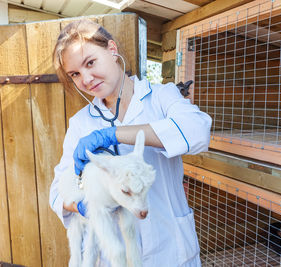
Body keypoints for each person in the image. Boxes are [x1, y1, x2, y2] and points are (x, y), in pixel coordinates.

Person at [49, 19, 212, 266]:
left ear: (112, 50)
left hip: (170, 249)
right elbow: (57, 193)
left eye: (90, 62)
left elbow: (198, 131)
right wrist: (86, 203)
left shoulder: (161, 97)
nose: (86, 78)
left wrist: (114, 134)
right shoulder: (81, 123)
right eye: (75, 74)